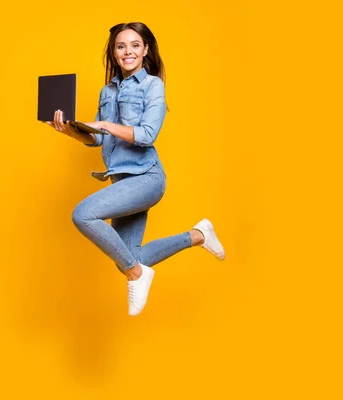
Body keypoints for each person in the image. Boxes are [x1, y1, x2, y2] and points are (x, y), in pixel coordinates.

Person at [45, 22, 225, 316]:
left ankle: (137, 275)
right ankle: (199, 235)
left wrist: (103, 124)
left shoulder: (153, 85)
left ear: (145, 50)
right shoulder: (107, 91)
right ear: (114, 53)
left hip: (146, 178)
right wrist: (71, 131)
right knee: (131, 256)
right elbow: (96, 139)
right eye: (121, 46)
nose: (127, 51)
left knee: (83, 215)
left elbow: (146, 135)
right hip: (121, 182)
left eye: (134, 45)